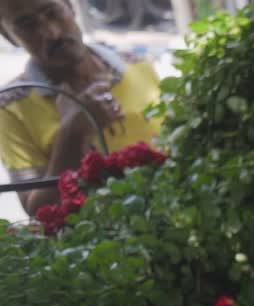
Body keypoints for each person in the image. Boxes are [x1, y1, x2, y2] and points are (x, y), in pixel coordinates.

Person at [0, 0, 163, 217]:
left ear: (70, 6)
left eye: (53, 12)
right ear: (8, 35)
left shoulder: (138, 66)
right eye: (27, 24)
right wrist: (71, 134)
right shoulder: (11, 107)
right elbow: (38, 212)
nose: (51, 33)